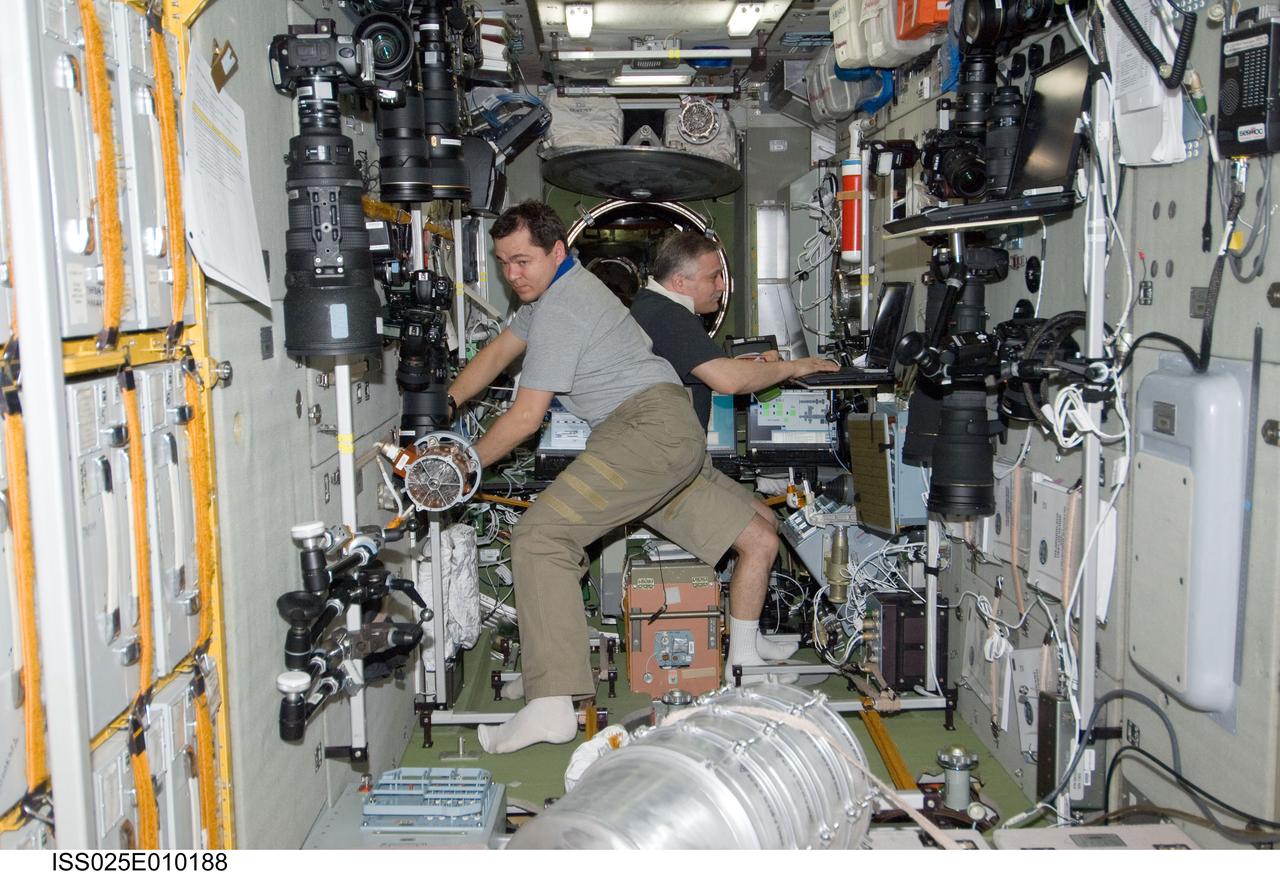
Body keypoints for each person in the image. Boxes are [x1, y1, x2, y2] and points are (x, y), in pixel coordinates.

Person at [446, 202, 777, 753]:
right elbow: (499, 351)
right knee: (757, 535)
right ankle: (747, 657)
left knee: (542, 538)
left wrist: (460, 470)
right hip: (660, 437)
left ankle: (552, 706)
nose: (513, 275)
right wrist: (446, 402)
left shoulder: (564, 307)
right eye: (504, 263)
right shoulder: (552, 295)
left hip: (646, 431)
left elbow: (526, 418)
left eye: (522, 261)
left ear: (558, 251)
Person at [630, 230, 840, 681]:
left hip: (680, 464)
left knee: (767, 522)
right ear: (682, 282)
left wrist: (758, 368)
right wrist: (796, 366)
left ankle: (750, 637)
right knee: (759, 543)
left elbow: (705, 370)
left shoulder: (657, 311)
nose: (722, 287)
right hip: (659, 472)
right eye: (713, 278)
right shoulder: (665, 315)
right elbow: (724, 380)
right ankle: (742, 662)